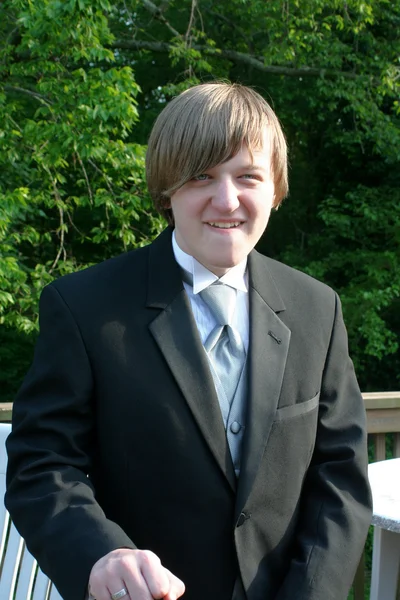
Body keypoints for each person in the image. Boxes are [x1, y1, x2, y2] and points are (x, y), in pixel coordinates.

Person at [5, 82, 372, 600]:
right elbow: (41, 465)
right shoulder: (84, 307)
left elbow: (340, 476)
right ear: (167, 189)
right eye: (202, 176)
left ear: (276, 189)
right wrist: (100, 554)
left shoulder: (318, 309)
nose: (227, 200)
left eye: (248, 176)